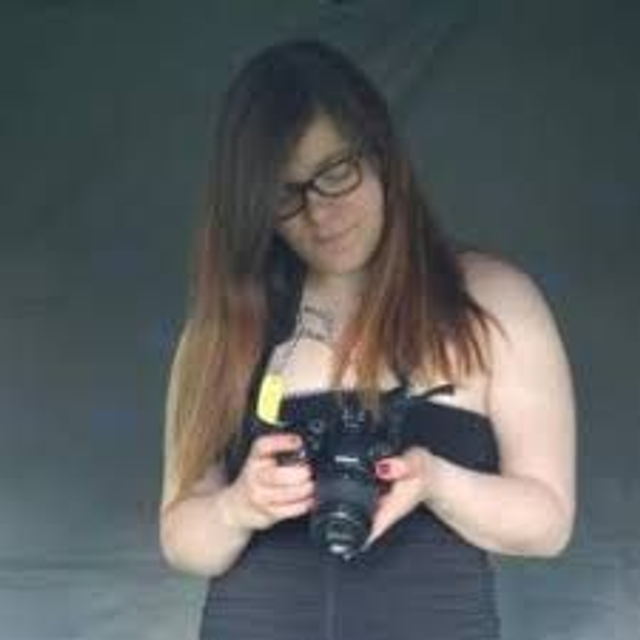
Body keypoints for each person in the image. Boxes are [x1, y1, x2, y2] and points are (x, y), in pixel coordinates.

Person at [159, 38, 576, 640]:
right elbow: (181, 536)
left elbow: (548, 523)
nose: (321, 213)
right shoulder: (222, 328)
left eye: (336, 173)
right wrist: (236, 507)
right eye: (286, 193)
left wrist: (436, 481)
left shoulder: (493, 301)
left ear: (381, 154)